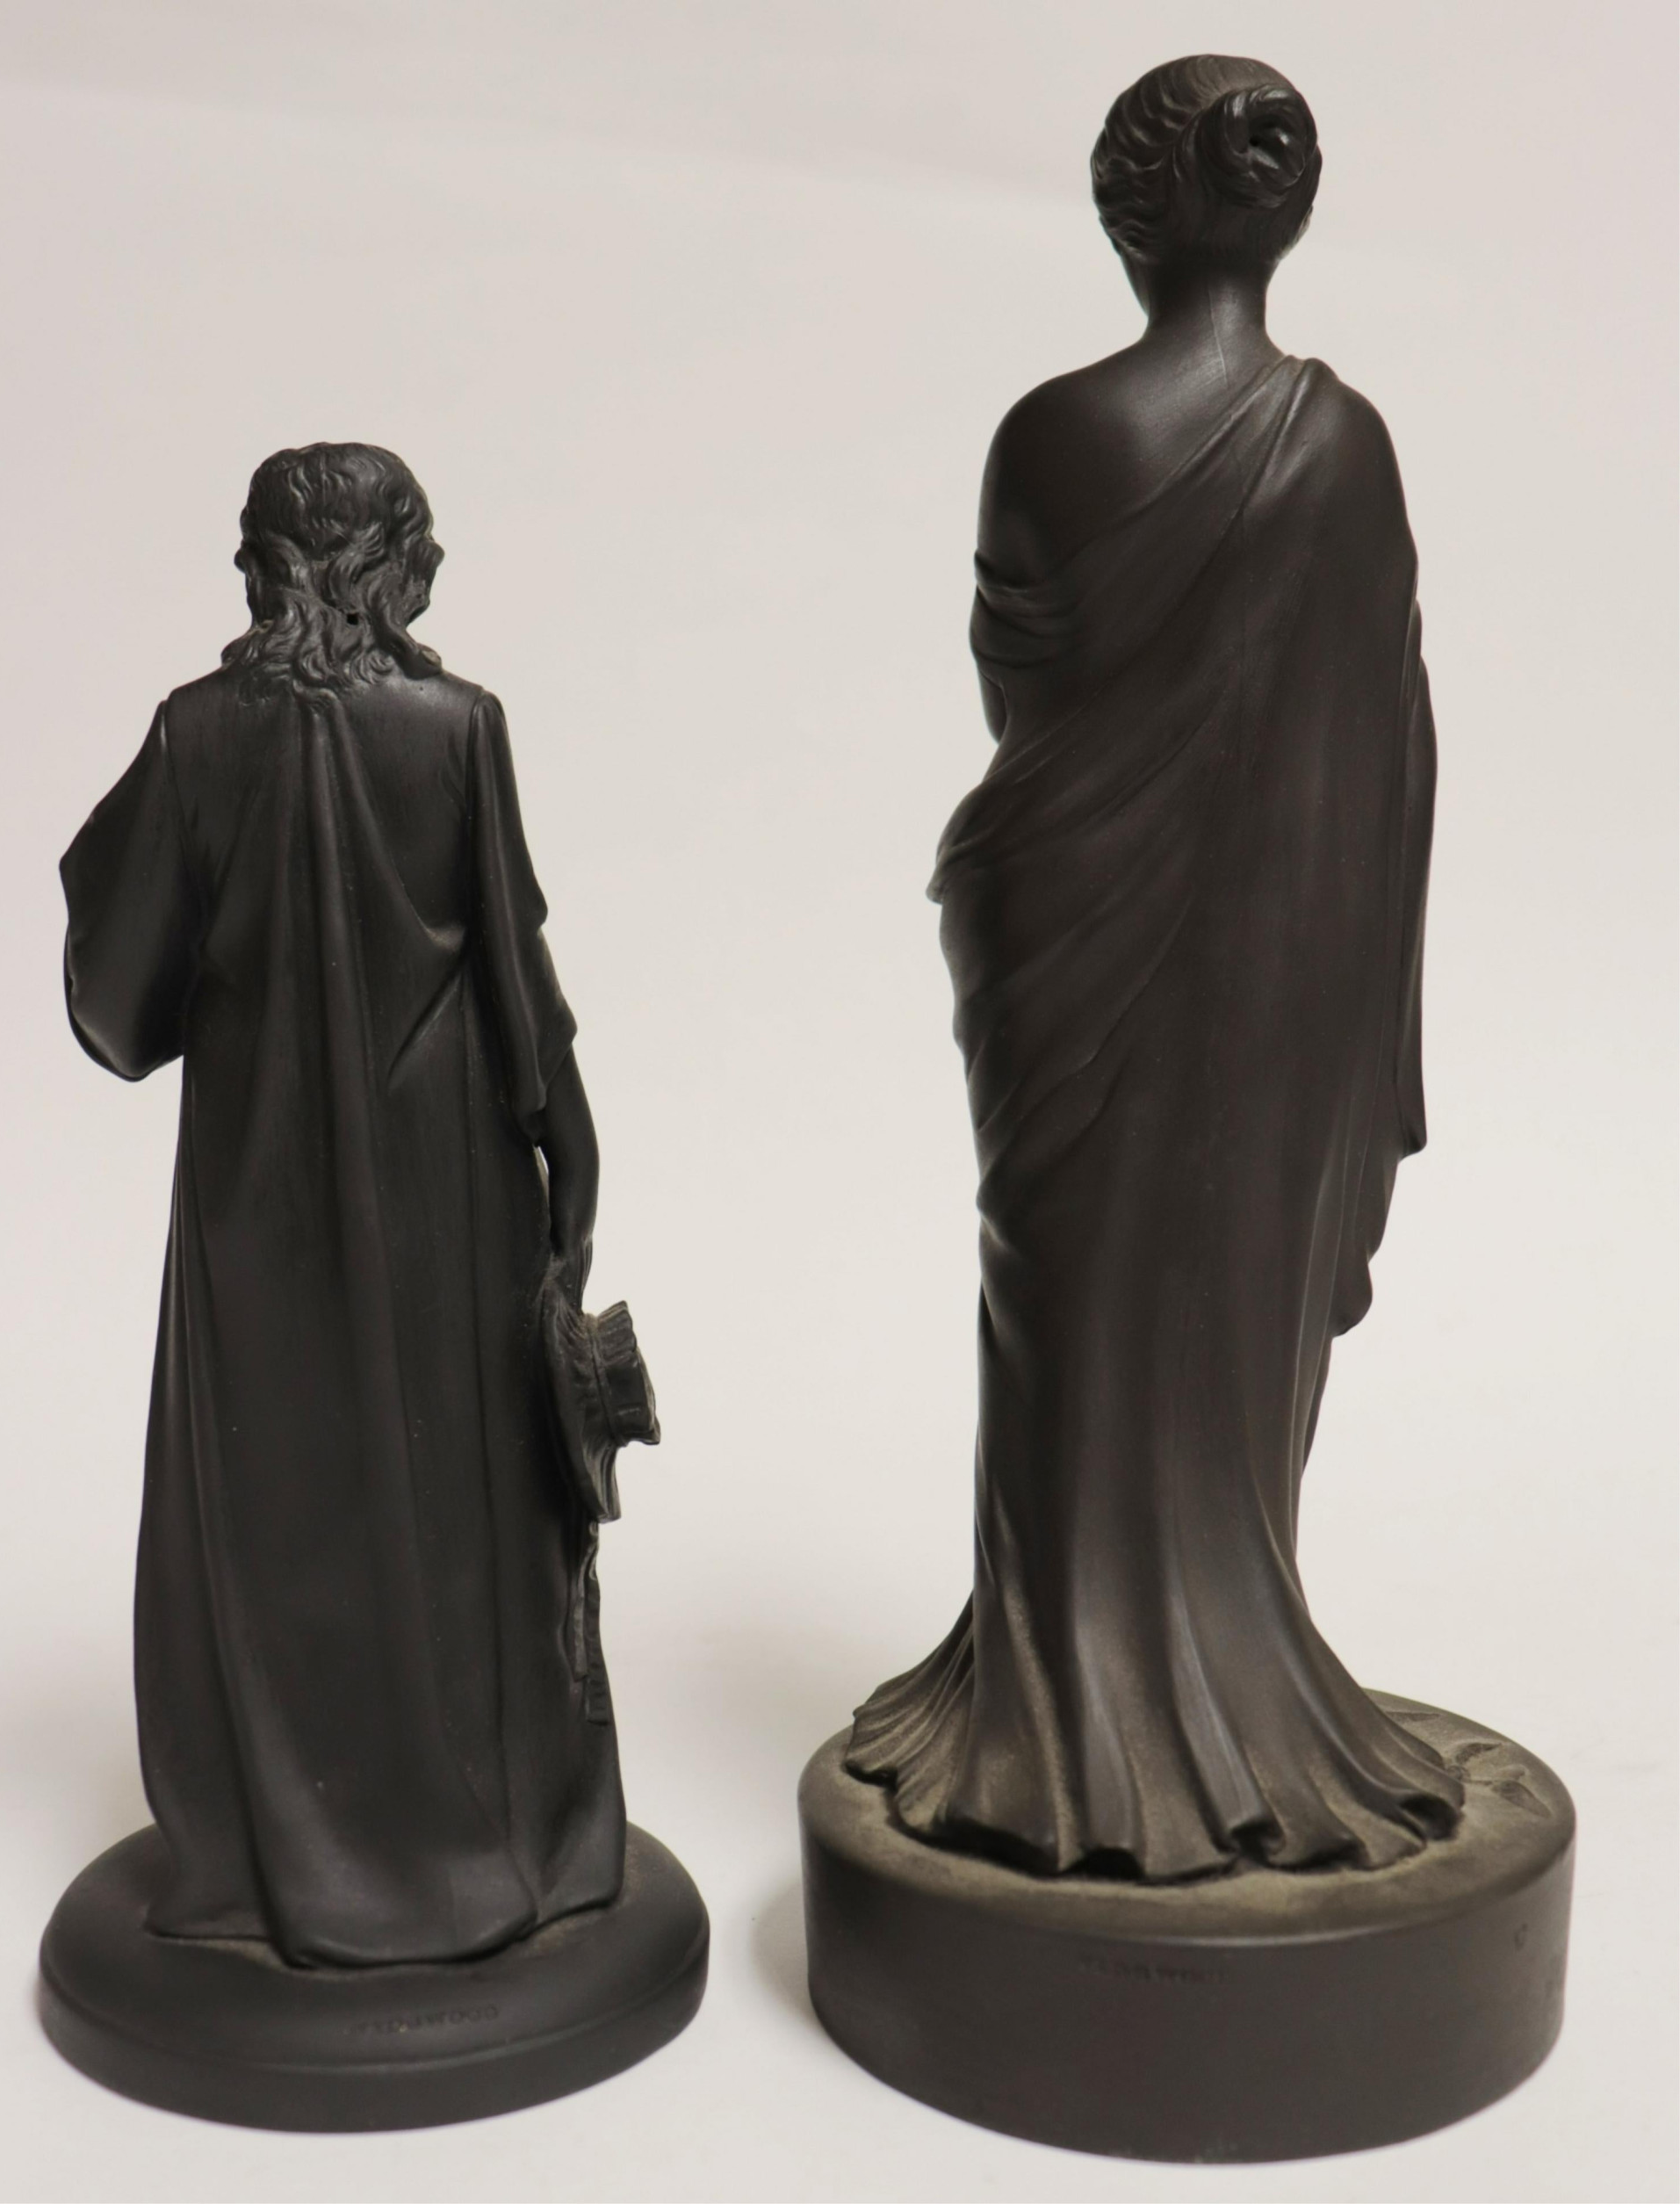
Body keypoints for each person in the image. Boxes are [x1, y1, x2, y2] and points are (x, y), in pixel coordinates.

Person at [847, 57, 1464, 1879]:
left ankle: (1064, 1704)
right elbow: (1383, 742)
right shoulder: (1343, 447)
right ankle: (1125, 1695)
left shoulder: (1051, 435)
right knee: (1208, 1307)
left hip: (1075, 926)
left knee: (1080, 1299)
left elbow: (1020, 689)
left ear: (1133, 211)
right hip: (1277, 958)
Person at [61, 444, 623, 1963]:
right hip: (451, 1190)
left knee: (279, 1509)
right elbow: (519, 981)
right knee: (458, 1508)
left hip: (257, 1204)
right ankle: (476, 1833)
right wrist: (574, 1156)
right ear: (386, 567)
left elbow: (114, 1011)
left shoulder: (196, 734)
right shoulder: (457, 729)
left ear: (271, 569)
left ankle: (275, 1842)